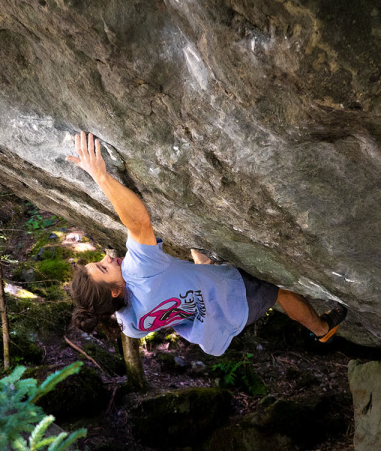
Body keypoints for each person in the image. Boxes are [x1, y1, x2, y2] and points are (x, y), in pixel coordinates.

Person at [67, 131, 346, 355]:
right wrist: (100, 175)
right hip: (233, 299)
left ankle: (205, 268)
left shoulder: (129, 324)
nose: (108, 258)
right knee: (281, 293)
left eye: (98, 261)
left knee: (197, 256)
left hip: (210, 326)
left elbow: (166, 299)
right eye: (104, 268)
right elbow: (139, 222)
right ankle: (323, 330)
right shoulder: (138, 272)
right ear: (115, 291)